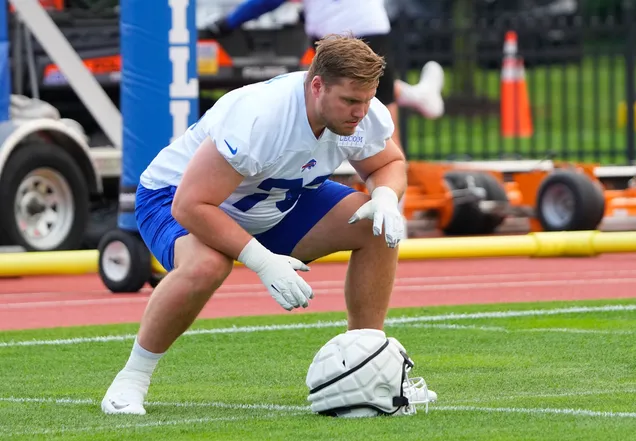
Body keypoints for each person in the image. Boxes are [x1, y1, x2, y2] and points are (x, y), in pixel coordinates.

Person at [101, 34, 434, 416]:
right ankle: (131, 379)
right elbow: (191, 205)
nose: (360, 112)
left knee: (375, 224)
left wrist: (386, 198)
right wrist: (261, 260)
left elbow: (386, 164)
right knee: (208, 265)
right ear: (317, 85)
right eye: (350, 101)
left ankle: (370, 364)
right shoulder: (260, 116)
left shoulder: (361, 110)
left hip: (274, 197)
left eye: (366, 100)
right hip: (177, 196)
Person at [203, 0, 445, 238]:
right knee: (338, 96)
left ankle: (394, 216)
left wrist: (229, 22)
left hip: (351, 36)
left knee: (378, 129)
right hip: (352, 30)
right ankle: (417, 95)